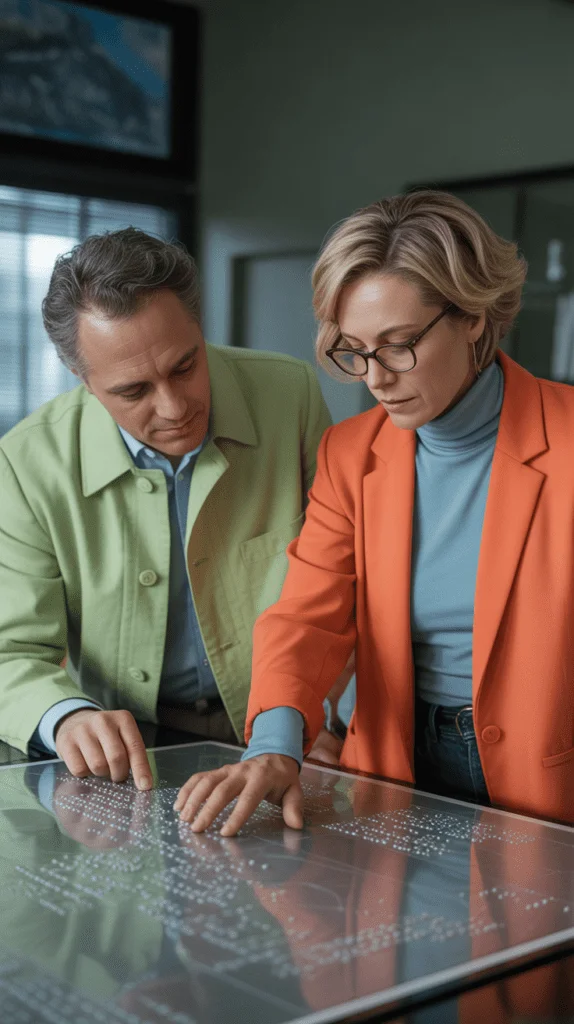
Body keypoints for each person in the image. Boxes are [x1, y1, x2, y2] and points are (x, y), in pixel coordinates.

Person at [174, 189, 574, 834]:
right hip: (396, 765)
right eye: (353, 350)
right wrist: (275, 742)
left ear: (473, 315)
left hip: (551, 778)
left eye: (398, 344)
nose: (375, 378)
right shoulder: (349, 454)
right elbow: (308, 613)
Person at [0, 227, 344, 789]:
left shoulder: (292, 396)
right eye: (134, 391)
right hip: (134, 752)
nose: (175, 406)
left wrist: (325, 719)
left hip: (288, 732)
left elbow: (345, 580)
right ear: (84, 382)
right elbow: (9, 652)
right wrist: (66, 718)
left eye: (185, 366)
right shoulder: (26, 462)